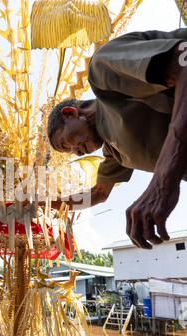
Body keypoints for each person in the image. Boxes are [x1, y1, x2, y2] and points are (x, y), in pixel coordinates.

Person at [47, 29, 187, 250]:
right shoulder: (115, 152)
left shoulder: (102, 73)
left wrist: (163, 180)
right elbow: (98, 194)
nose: (77, 153)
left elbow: (184, 63)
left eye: (67, 144)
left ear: (70, 113)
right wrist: (45, 204)